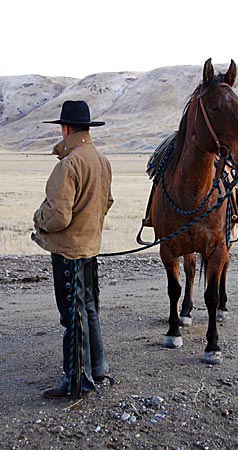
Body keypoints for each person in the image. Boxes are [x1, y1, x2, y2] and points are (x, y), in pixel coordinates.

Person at [32, 100, 114, 398]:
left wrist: (38, 218)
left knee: (71, 315)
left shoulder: (69, 164)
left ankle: (76, 379)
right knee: (89, 308)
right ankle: (99, 367)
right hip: (90, 247)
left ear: (66, 129)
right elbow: (107, 203)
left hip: (69, 252)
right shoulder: (102, 160)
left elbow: (58, 216)